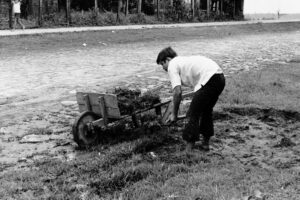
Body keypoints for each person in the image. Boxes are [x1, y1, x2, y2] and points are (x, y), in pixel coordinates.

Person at [156, 47, 225, 152]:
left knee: (192, 114)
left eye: (162, 64)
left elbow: (177, 92)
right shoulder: (183, 61)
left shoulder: (172, 65)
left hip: (209, 78)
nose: (163, 68)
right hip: (220, 78)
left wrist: (174, 114)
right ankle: (205, 144)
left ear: (168, 59)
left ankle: (188, 150)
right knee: (206, 111)